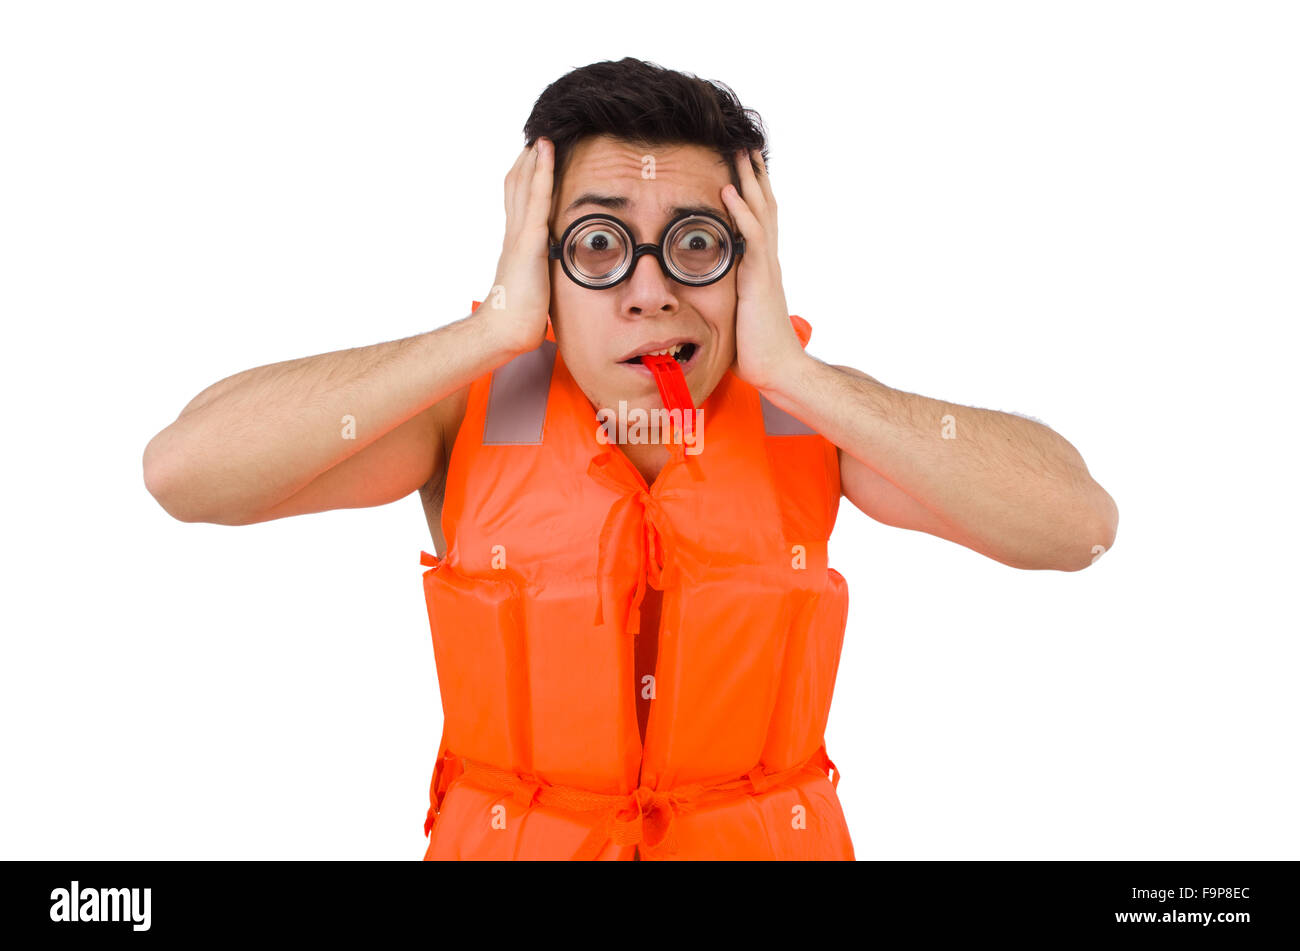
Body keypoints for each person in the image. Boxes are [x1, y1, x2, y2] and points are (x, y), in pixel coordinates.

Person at [142, 57, 1118, 860]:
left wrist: (790, 369)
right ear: (538, 255)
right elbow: (184, 473)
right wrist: (490, 332)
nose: (649, 293)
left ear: (753, 261)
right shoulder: (478, 407)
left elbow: (1076, 528)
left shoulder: (802, 415)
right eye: (598, 245)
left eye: (698, 245)